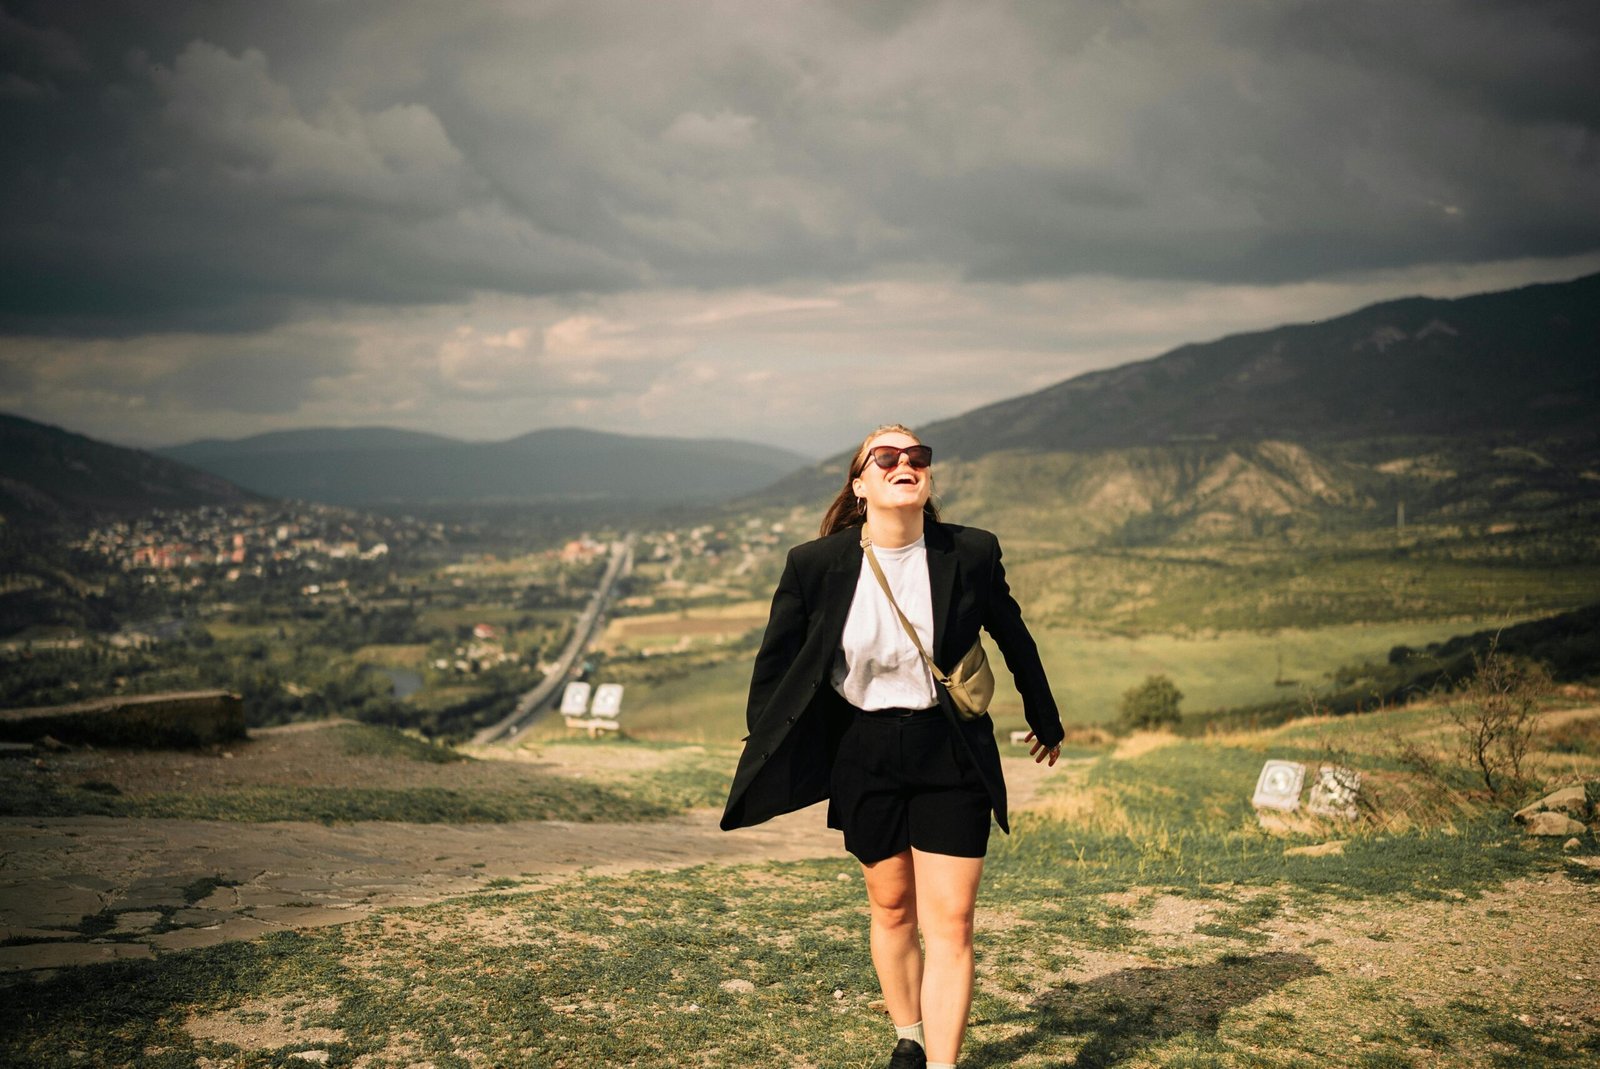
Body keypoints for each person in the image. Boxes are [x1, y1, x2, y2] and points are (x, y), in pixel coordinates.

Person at [721, 423, 1065, 1069]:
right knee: (891, 902)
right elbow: (776, 661)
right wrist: (766, 737)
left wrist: (1044, 713)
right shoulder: (815, 564)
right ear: (860, 484)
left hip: (950, 748)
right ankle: (908, 1031)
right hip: (863, 746)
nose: (905, 462)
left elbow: (1015, 635)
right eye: (887, 456)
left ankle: (941, 1062)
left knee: (953, 919)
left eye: (917, 456)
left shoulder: (971, 551)